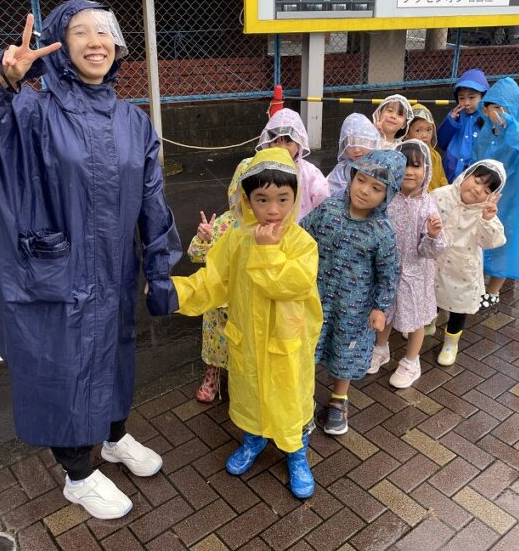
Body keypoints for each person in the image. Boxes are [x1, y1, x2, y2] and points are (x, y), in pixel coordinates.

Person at [0, 0, 182, 520]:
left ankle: (113, 438)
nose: (96, 41)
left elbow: (153, 201)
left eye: (105, 30)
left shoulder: (133, 121)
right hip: (53, 274)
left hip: (112, 271)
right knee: (64, 368)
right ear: (59, 45)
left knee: (115, 356)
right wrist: (1, 79)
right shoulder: (27, 111)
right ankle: (77, 475)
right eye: (79, 32)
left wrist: (158, 267)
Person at [171, 147, 322, 499]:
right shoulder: (235, 241)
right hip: (248, 344)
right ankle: (253, 440)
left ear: (295, 197)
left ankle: (296, 453)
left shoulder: (302, 243)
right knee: (251, 396)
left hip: (288, 346)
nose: (273, 209)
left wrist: (268, 251)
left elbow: (292, 284)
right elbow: (212, 282)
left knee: (290, 401)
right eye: (262, 199)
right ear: (246, 199)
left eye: (283, 199)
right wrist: (174, 293)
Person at [302, 149, 404, 435]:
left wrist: (380, 307)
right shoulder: (329, 209)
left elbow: (389, 272)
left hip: (354, 307)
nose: (365, 191)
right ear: (351, 177)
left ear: (388, 194)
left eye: (377, 188)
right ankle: (302, 401)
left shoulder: (383, 230)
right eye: (361, 180)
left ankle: (338, 399)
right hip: (316, 298)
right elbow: (301, 236)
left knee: (344, 353)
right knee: (308, 348)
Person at [367, 140, 446, 389]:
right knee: (385, 312)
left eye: (416, 166)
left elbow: (430, 251)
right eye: (403, 166)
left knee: (416, 320)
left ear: (427, 170)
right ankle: (381, 348)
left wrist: (432, 236)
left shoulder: (428, 205)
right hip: (387, 272)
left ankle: (412, 361)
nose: (410, 172)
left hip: (416, 274)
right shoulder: (387, 200)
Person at [185, 158, 252, 402]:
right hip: (218, 301)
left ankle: (239, 382)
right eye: (244, 190)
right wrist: (204, 238)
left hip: (245, 302)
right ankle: (211, 377)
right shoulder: (224, 223)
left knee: (241, 346)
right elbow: (195, 255)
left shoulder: (266, 228)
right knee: (215, 343)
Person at [474, 78, 519, 309]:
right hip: (484, 199)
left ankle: (493, 289)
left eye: (503, 109)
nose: (497, 114)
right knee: (480, 240)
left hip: (512, 201)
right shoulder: (486, 133)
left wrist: (512, 125)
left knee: (504, 243)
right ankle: (478, 282)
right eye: (493, 107)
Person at [432, 161, 506, 366]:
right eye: (477, 180)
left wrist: (488, 220)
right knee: (432, 294)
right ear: (467, 175)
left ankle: (450, 342)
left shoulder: (485, 212)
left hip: (462, 269)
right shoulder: (441, 195)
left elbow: (493, 241)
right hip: (435, 262)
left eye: (486, 189)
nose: (477, 189)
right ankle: (429, 321)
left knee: (458, 307)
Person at [256, 108, 329, 220]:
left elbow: (323, 201)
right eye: (276, 141)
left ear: (299, 144)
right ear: (268, 143)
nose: (282, 148)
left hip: (302, 230)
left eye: (288, 142)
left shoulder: (309, 172)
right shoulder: (261, 169)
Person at [436, 69, 490, 183]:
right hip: (451, 169)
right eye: (461, 98)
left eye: (471, 97)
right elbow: (441, 141)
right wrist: (451, 121)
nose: (466, 103)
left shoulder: (488, 117)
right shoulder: (455, 115)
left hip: (475, 173)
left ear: (483, 96)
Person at [326, 112, 380, 197]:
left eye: (362, 142)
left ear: (373, 141)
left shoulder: (380, 166)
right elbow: (330, 191)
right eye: (350, 143)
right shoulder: (342, 169)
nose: (356, 150)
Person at [404, 103, 448, 191]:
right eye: (418, 130)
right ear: (407, 133)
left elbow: (442, 179)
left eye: (429, 130)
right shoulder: (403, 156)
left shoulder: (435, 155)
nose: (425, 135)